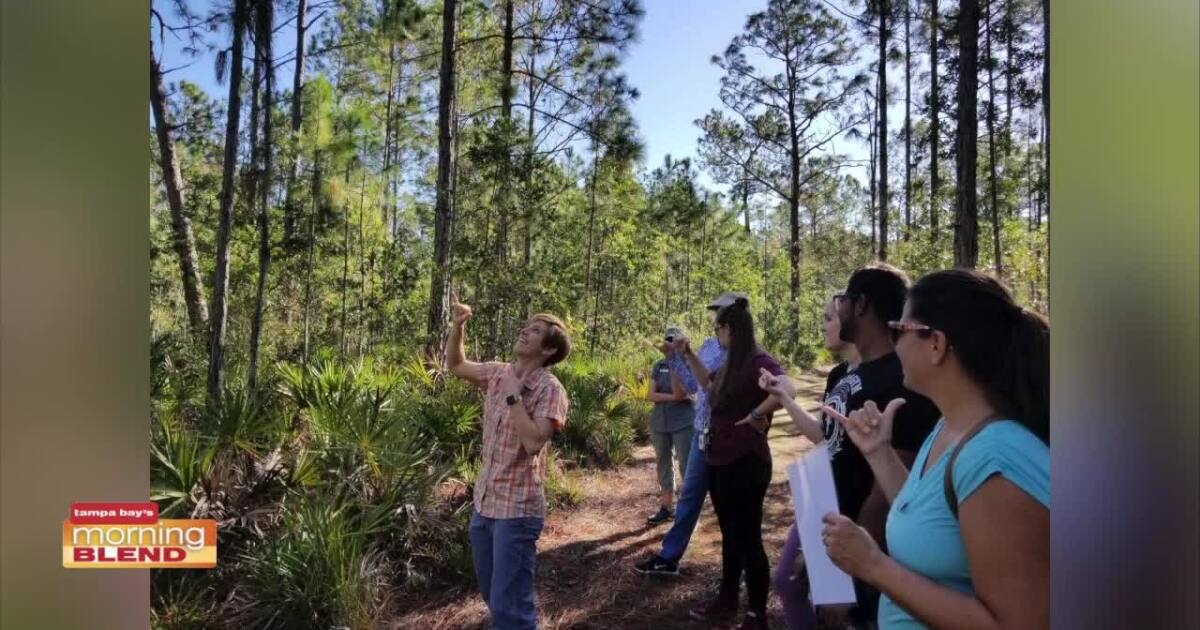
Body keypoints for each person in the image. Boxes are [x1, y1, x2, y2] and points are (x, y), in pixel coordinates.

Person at [820, 269, 1050, 629]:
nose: (893, 343)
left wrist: (873, 566)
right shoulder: (950, 426)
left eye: (900, 331)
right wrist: (879, 453)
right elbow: (926, 517)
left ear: (936, 344)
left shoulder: (996, 460)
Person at [764, 264, 941, 628]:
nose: (836, 309)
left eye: (842, 300)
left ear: (860, 306)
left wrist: (844, 574)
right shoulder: (852, 374)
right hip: (836, 532)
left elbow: (886, 489)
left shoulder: (901, 376)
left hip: (869, 552)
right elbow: (835, 446)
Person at [445, 301, 571, 630]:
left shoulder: (551, 390)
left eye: (534, 331)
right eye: (526, 327)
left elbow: (532, 443)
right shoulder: (499, 372)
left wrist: (514, 397)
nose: (524, 332)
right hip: (485, 503)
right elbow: (457, 365)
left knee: (511, 602)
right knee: (492, 593)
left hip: (517, 510)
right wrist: (459, 327)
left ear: (547, 348)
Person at [681, 297, 785, 630]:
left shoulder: (758, 361)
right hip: (720, 459)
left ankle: (757, 614)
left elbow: (789, 389)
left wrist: (757, 413)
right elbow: (708, 386)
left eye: (718, 328)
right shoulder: (730, 362)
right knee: (731, 534)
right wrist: (688, 354)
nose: (716, 334)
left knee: (749, 536)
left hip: (746, 462)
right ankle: (727, 600)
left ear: (731, 329)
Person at [758, 295, 859, 630]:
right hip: (820, 495)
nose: (824, 324)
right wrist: (783, 396)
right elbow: (822, 435)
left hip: (851, 504)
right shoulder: (837, 374)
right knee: (788, 580)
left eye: (830, 317)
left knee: (837, 606)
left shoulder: (885, 376)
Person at [633, 291, 739, 575]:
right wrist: (676, 358)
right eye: (717, 312)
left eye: (723, 312)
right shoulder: (707, 346)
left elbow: (713, 387)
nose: (718, 317)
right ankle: (669, 558)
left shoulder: (747, 353)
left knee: (730, 508)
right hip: (701, 435)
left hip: (730, 440)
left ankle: (737, 569)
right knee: (690, 497)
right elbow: (692, 386)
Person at [645, 325, 696, 524]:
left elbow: (686, 392)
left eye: (674, 340)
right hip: (660, 423)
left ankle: (688, 508)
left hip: (684, 422)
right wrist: (674, 397)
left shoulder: (689, 364)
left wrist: (675, 396)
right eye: (668, 340)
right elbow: (651, 395)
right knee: (663, 464)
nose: (670, 344)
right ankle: (666, 507)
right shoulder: (659, 365)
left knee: (686, 464)